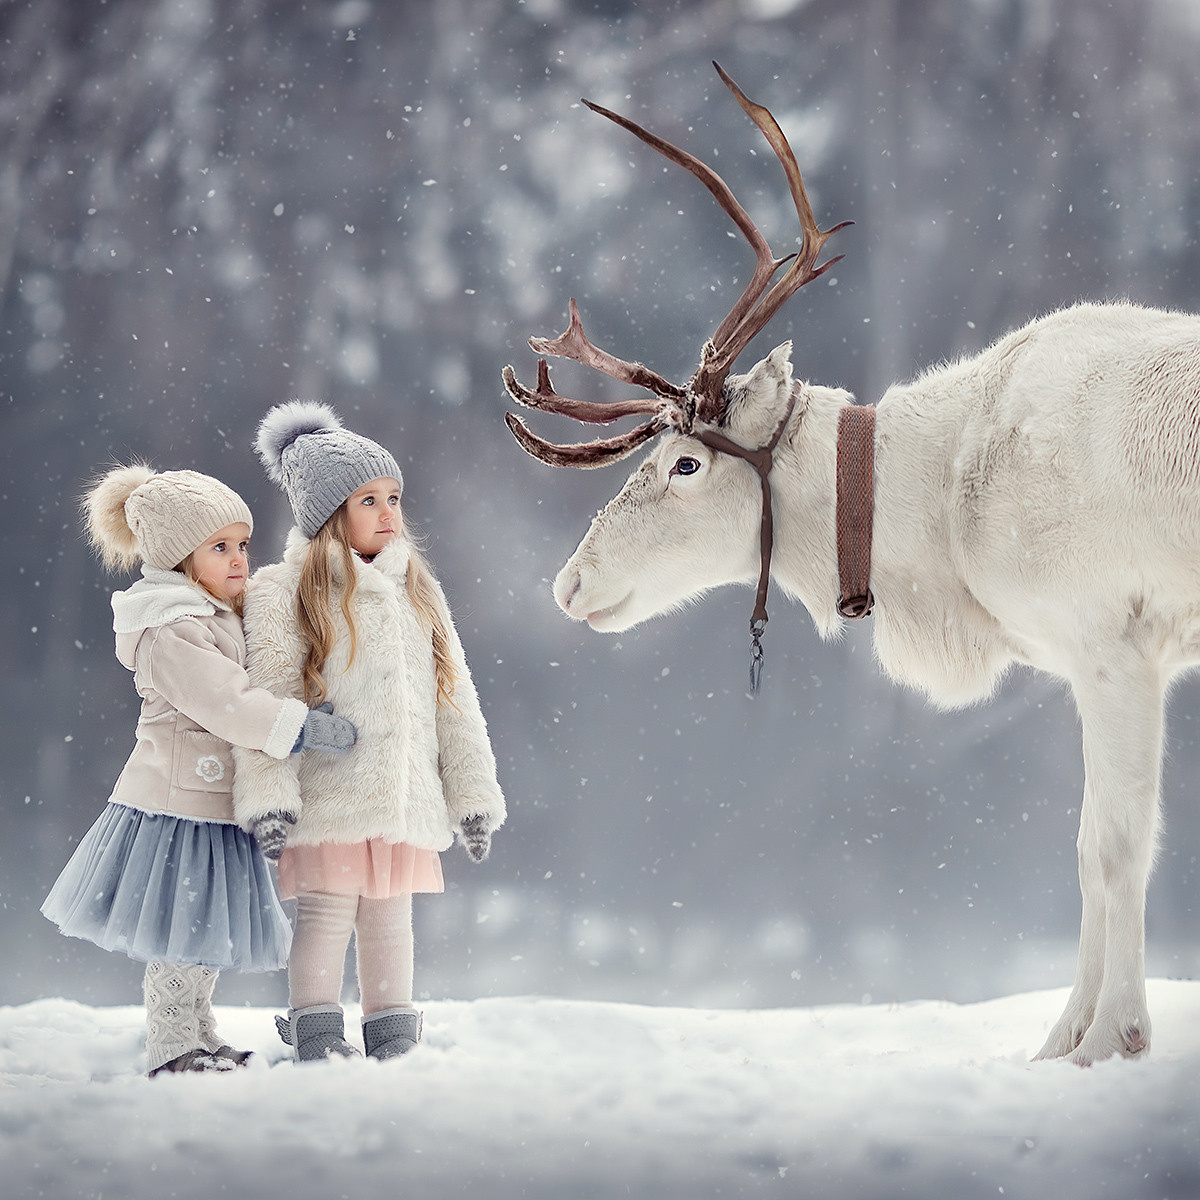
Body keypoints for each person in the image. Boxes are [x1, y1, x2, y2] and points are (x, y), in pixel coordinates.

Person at [41, 464, 357, 1076]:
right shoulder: (170, 628)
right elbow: (227, 701)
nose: (240, 559)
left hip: (210, 797)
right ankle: (171, 1043)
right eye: (221, 547)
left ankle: (198, 1031)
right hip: (176, 800)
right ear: (180, 558)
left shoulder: (214, 614)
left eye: (243, 544)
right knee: (181, 930)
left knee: (202, 928)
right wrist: (298, 727)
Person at [233, 402, 505, 1062]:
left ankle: (392, 1040)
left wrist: (472, 795)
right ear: (330, 514)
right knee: (327, 915)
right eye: (368, 500)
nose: (389, 512)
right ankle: (317, 1036)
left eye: (394, 497)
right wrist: (269, 795)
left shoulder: (418, 589)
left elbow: (454, 700)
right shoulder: (286, 590)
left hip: (404, 796)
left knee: (390, 918)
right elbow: (268, 700)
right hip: (330, 792)